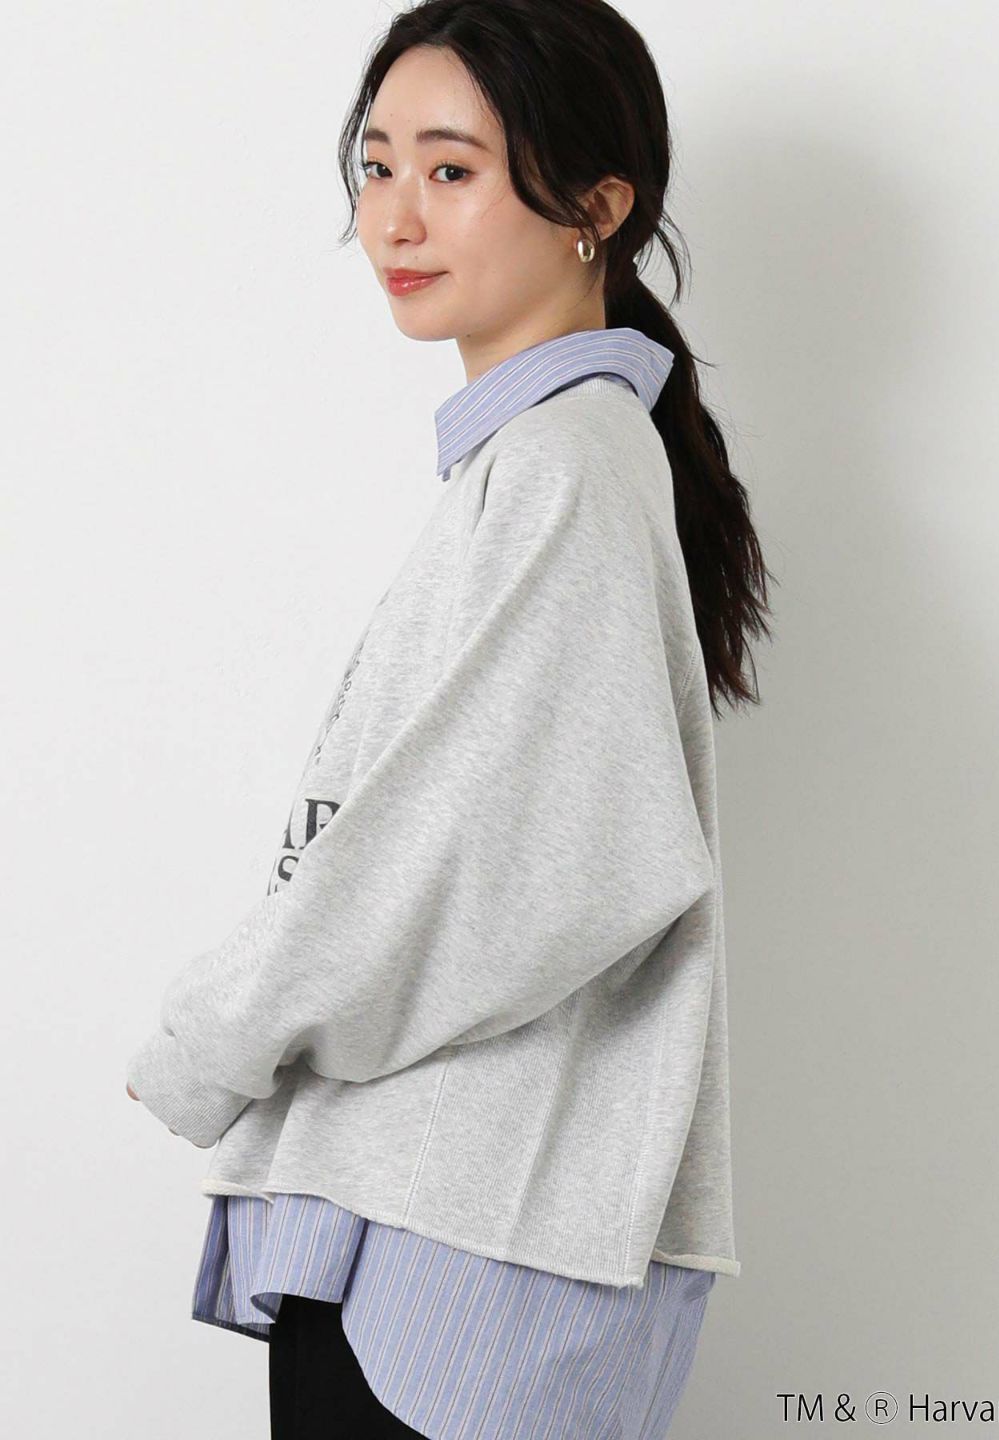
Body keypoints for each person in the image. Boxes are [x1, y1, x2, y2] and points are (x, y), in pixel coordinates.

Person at [126, 1, 774, 1434]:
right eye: (376, 165)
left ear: (597, 207)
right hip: (435, 1233)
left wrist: (217, 1034)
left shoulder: (564, 472)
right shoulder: (546, 464)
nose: (396, 216)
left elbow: (488, 869)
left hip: (456, 1259)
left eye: (452, 169)